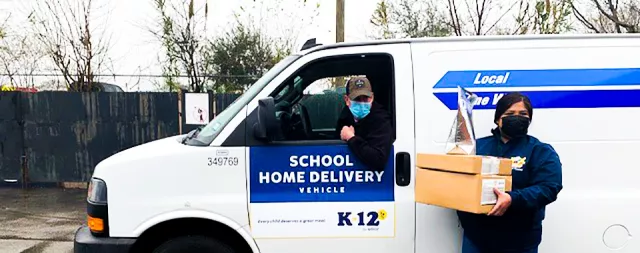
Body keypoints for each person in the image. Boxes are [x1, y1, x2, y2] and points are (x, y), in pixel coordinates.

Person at [457, 92, 563, 253]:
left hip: (519, 241)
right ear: (498, 119)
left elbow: (549, 188)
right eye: (510, 114)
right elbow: (457, 178)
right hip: (476, 239)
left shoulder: (540, 150)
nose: (517, 118)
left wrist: (513, 198)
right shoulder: (477, 147)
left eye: (523, 114)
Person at [335, 76, 393, 172]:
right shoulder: (345, 116)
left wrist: (351, 138)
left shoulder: (381, 120)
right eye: (357, 99)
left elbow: (379, 160)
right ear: (347, 100)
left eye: (366, 98)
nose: (362, 103)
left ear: (372, 97)